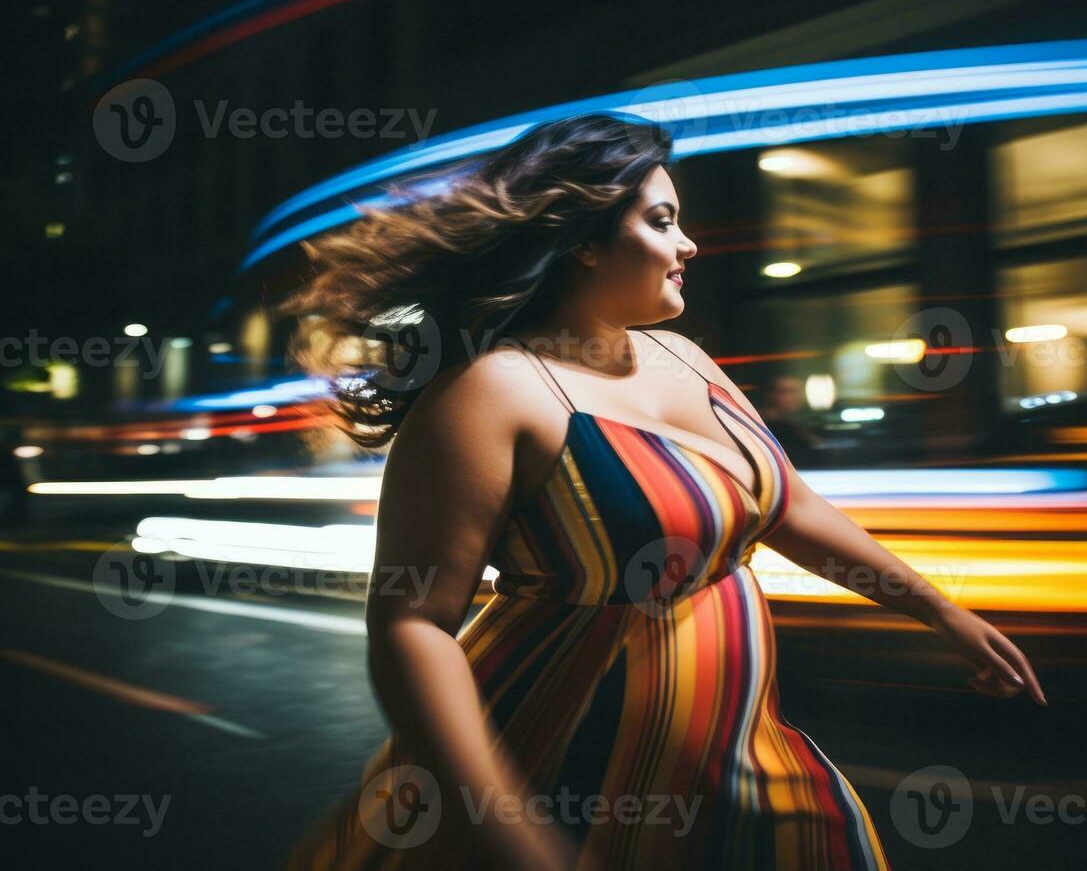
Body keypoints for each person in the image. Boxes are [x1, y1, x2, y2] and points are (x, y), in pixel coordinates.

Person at [277, 113, 1046, 871]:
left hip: (738, 745)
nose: (689, 245)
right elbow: (412, 624)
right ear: (582, 239)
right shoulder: (492, 394)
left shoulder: (683, 358)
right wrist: (504, 828)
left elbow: (790, 508)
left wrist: (937, 611)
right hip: (558, 761)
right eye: (662, 221)